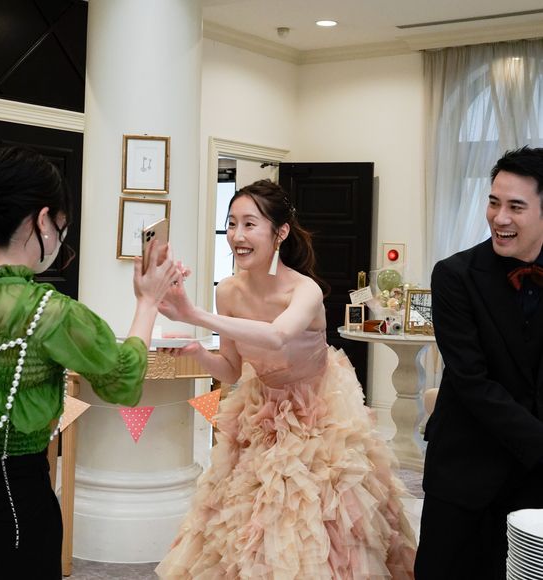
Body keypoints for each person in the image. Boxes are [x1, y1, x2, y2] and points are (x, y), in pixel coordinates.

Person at [155, 179, 416, 579]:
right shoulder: (228, 292)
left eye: (249, 224)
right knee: (245, 523)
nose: (237, 236)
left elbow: (277, 335)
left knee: (314, 522)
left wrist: (194, 316)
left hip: (318, 416)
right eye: (232, 224)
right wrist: (198, 352)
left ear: (280, 233)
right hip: (260, 413)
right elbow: (231, 369)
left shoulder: (304, 290)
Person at [0, 146, 180, 579]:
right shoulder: (52, 312)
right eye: (62, 226)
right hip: (15, 503)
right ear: (43, 220)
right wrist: (147, 302)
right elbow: (123, 380)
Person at [415, 146, 543, 579]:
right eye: (493, 202)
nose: (499, 217)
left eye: (516, 207)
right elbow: (472, 381)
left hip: (535, 481)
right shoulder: (455, 275)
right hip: (465, 470)